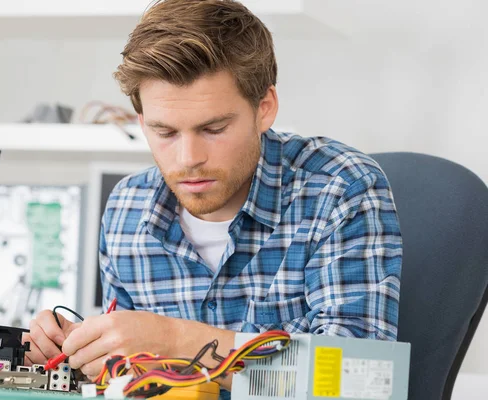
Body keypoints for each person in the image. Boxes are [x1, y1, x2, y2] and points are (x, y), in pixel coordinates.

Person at [24, 0, 402, 394]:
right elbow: (125, 381)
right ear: (142, 122)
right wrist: (77, 352)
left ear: (265, 108)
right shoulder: (126, 211)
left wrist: (174, 344)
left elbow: (358, 380)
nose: (188, 159)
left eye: (214, 128)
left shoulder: (339, 188)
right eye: (165, 133)